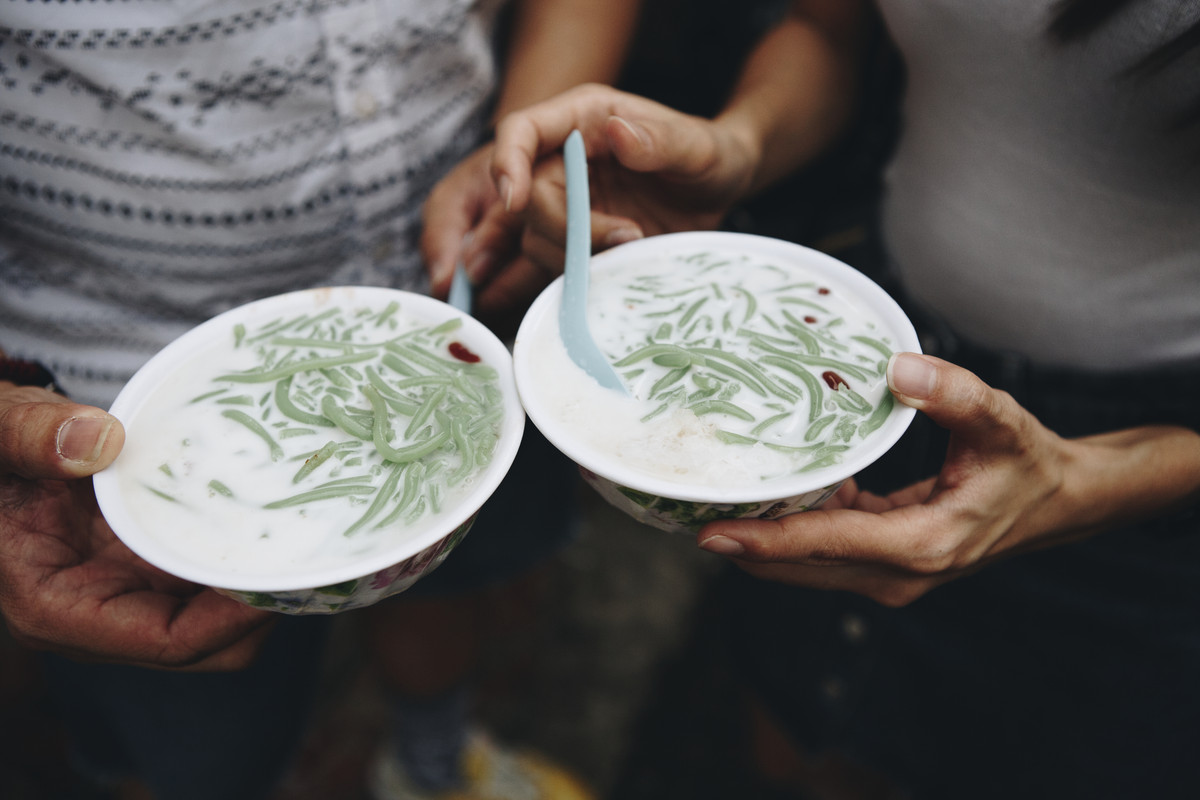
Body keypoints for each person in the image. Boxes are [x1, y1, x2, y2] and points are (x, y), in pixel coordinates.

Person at [478, 1, 1200, 797]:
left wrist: (1083, 482)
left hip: (1150, 458)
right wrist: (741, 143)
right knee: (796, 726)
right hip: (871, 354)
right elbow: (829, 28)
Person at [0, 1, 640, 797]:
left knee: (446, 586)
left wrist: (526, 141)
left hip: (462, 334)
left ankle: (433, 765)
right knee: (194, 738)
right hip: (115, 412)